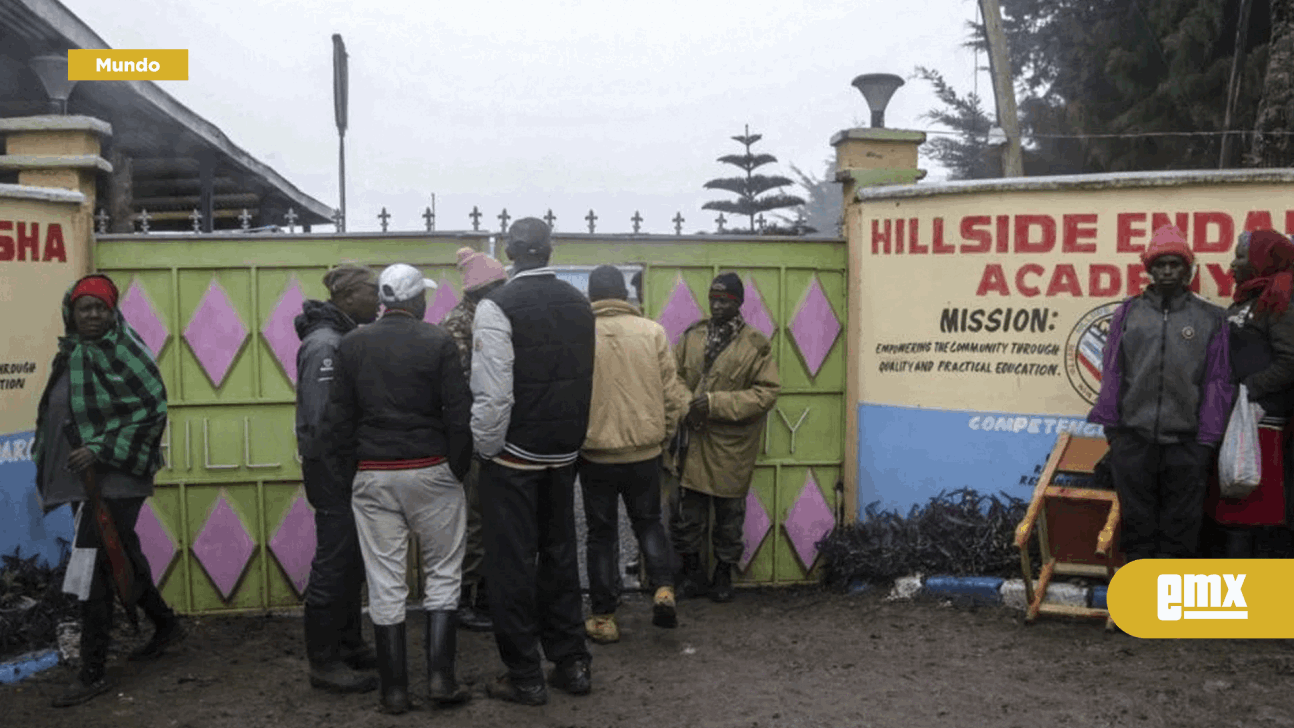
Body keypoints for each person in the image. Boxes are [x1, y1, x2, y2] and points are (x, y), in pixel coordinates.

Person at [324, 264, 473, 714]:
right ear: (418, 302)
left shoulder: (351, 344)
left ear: (386, 300)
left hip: (373, 473)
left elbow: (338, 419)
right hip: (431, 469)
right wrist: (457, 469)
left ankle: (394, 692)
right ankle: (441, 680)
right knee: (443, 572)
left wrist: (354, 471)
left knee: (385, 582)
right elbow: (458, 412)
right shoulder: (438, 342)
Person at [32, 274, 183, 708]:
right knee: (125, 553)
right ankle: (165, 624)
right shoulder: (70, 354)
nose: (93, 315)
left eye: (101, 308)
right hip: (84, 477)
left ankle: (92, 670)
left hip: (120, 474)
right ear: (71, 314)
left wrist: (100, 447)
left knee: (95, 563)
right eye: (85, 308)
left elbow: (151, 410)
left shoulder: (126, 351)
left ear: (113, 312)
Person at [471, 217, 596, 705]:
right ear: (551, 250)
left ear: (509, 250)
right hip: (563, 452)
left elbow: (494, 394)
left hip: (513, 457)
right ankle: (573, 663)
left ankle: (524, 675)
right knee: (561, 557)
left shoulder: (496, 306)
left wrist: (486, 448)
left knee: (511, 567)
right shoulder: (579, 304)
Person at [1088, 224, 1233, 560]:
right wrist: (1115, 432)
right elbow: (1113, 371)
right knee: (1136, 528)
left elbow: (1218, 380)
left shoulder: (1211, 318)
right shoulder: (1128, 313)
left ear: (1187, 269)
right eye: (1161, 264)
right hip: (1133, 441)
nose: (1168, 271)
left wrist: (1206, 441)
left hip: (1187, 445)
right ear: (1149, 269)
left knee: (1181, 531)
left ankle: (1171, 607)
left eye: (1175, 264)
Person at [580, 265, 690, 644]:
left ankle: (603, 616)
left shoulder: (579, 333)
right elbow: (673, 395)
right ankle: (662, 590)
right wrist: (664, 436)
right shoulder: (653, 332)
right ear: (626, 295)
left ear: (592, 297)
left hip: (595, 454)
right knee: (648, 523)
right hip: (645, 451)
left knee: (601, 534)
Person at [293, 263, 380, 693]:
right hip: (333, 471)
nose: (379, 301)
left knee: (350, 561)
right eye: (372, 292)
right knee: (334, 561)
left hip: (343, 468)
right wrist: (341, 472)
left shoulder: (343, 337)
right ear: (346, 299)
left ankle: (349, 645)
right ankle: (323, 661)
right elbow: (324, 420)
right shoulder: (326, 346)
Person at [670, 272, 780, 603]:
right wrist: (686, 404)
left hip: (731, 445)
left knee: (729, 517)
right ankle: (692, 575)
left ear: (738, 303)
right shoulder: (692, 336)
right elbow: (672, 377)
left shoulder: (756, 344)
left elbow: (766, 393)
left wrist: (716, 403)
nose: (717, 305)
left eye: (725, 300)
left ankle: (722, 575)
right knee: (689, 515)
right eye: (713, 298)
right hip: (693, 441)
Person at [1205, 230, 1294, 557]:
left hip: (1260, 425)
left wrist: (1248, 392)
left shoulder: (1281, 299)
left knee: (1251, 520)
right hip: (1234, 421)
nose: (1232, 264)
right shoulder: (1247, 300)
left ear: (1262, 261)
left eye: (1241, 256)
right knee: (1230, 516)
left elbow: (1290, 360)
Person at [440, 246, 508, 632]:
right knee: (474, 521)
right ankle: (466, 599)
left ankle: (482, 595)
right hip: (470, 435)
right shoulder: (460, 324)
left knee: (488, 519)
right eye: (499, 285)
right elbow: (465, 386)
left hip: (486, 432)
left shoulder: (484, 315)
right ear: (482, 289)